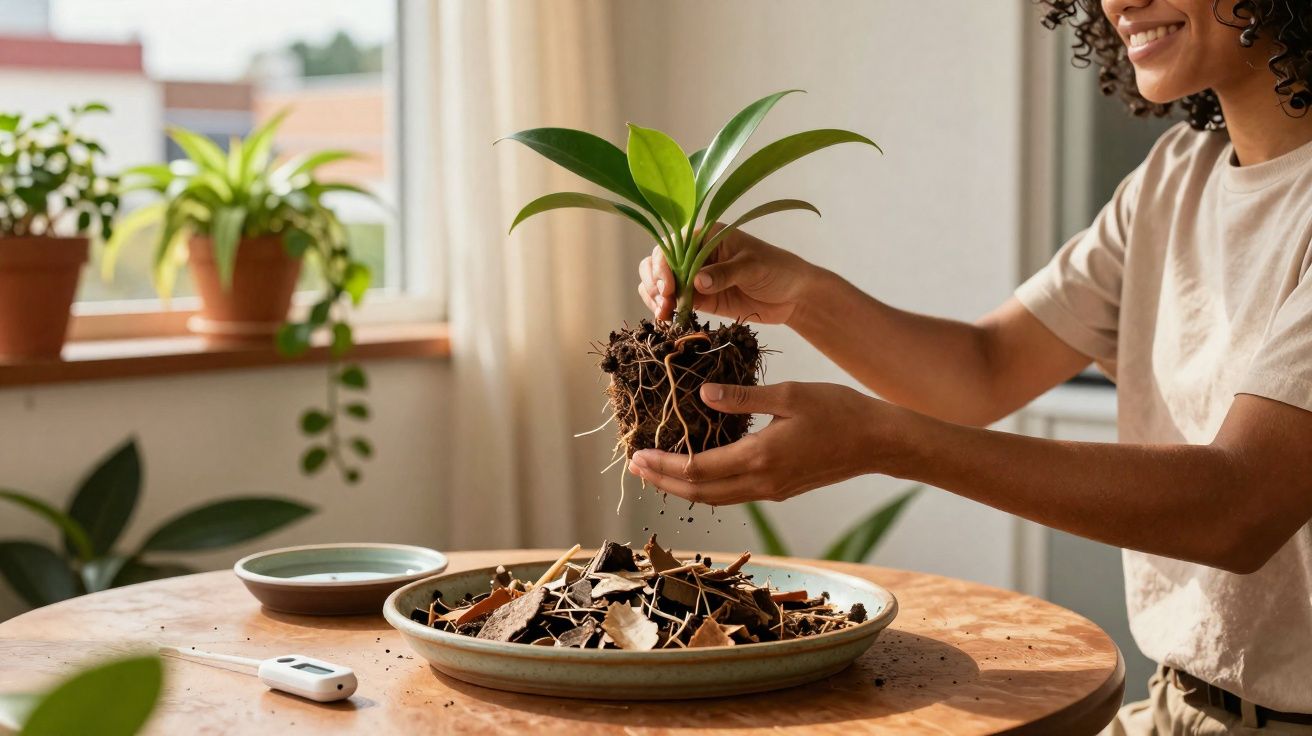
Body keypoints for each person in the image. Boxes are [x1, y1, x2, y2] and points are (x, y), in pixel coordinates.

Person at [630, 1, 1312, 732]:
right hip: (1177, 708)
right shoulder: (1174, 179)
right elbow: (984, 370)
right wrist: (801, 295)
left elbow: (1236, 507)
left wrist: (888, 442)